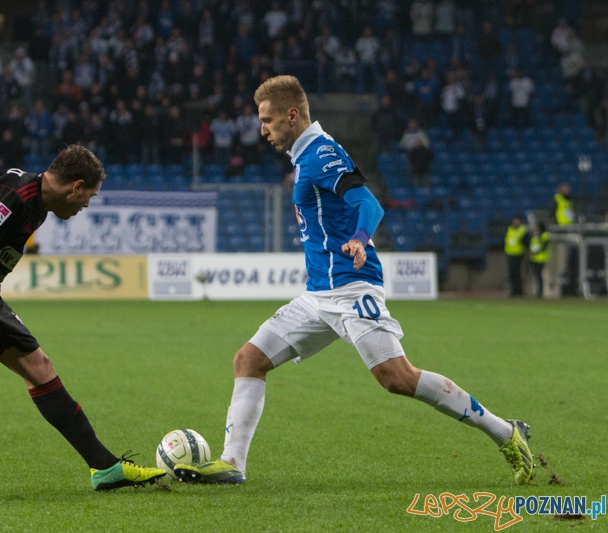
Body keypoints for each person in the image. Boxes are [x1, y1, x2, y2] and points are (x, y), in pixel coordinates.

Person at [173, 75, 534, 487]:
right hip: (318, 296)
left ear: (292, 115)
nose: (262, 130)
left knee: (397, 378)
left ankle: (506, 432)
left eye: (268, 120)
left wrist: (360, 238)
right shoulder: (304, 155)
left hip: (351, 288)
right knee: (249, 360)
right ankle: (232, 463)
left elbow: (368, 202)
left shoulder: (321, 154)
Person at [0, 145, 165, 500]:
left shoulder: (38, 203)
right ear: (76, 187)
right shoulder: (12, 197)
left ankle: (105, 468)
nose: (87, 205)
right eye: (89, 196)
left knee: (39, 366)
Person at [504, 217, 528, 297]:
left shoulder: (522, 230)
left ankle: (519, 291)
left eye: (517, 221)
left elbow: (526, 241)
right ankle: (513, 291)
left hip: (519, 253)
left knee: (517, 273)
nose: (515, 222)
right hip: (510, 253)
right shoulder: (510, 229)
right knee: (512, 273)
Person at [529, 222, 550, 298]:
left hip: (541, 258)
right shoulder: (534, 236)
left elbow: (544, 246)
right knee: (536, 275)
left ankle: (540, 291)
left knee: (539, 275)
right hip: (534, 258)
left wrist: (535, 252)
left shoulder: (544, 235)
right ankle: (537, 290)